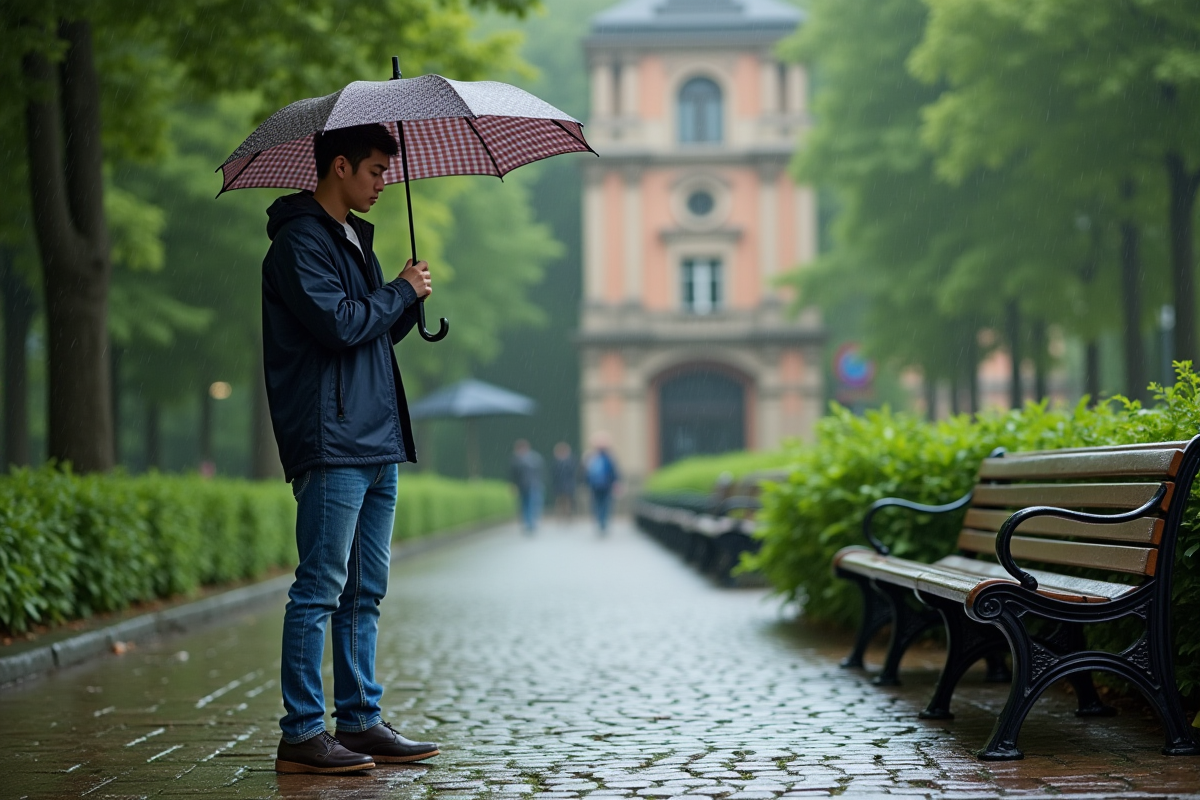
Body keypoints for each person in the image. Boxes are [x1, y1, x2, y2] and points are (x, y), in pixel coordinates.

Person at [261, 123, 439, 774]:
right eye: (374, 172)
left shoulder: (352, 241)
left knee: (366, 590)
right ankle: (303, 731)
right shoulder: (298, 244)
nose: (384, 183)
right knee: (320, 588)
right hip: (332, 439)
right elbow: (336, 326)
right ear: (339, 166)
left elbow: (365, 333)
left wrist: (404, 304)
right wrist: (395, 291)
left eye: (389, 173)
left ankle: (360, 721)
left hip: (375, 435)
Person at [583, 432, 620, 534]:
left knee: (603, 504)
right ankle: (601, 522)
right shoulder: (592, 457)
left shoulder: (606, 457)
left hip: (604, 485)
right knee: (600, 504)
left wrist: (616, 482)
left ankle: (602, 522)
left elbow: (614, 471)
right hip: (597, 485)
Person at [510, 439, 545, 533]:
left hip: (531, 485)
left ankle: (530, 523)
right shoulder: (518, 460)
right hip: (525, 486)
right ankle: (529, 523)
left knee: (531, 504)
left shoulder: (532, 458)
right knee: (526, 504)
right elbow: (513, 475)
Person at [551, 441, 578, 518]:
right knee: (560, 501)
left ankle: (568, 515)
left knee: (568, 501)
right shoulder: (556, 462)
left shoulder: (570, 461)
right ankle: (561, 515)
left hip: (568, 485)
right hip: (559, 485)